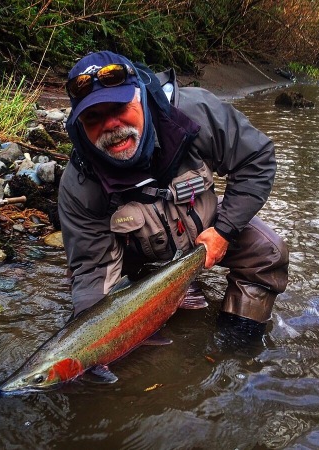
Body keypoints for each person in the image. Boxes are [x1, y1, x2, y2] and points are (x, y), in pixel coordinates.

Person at [58, 50, 289, 341]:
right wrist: (91, 342)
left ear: (139, 96)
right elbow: (92, 269)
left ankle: (238, 343)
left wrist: (224, 231)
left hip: (204, 234)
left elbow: (256, 159)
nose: (111, 126)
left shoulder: (194, 112)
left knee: (268, 253)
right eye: (93, 117)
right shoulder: (78, 183)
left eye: (118, 108)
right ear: (80, 123)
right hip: (131, 255)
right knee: (101, 325)